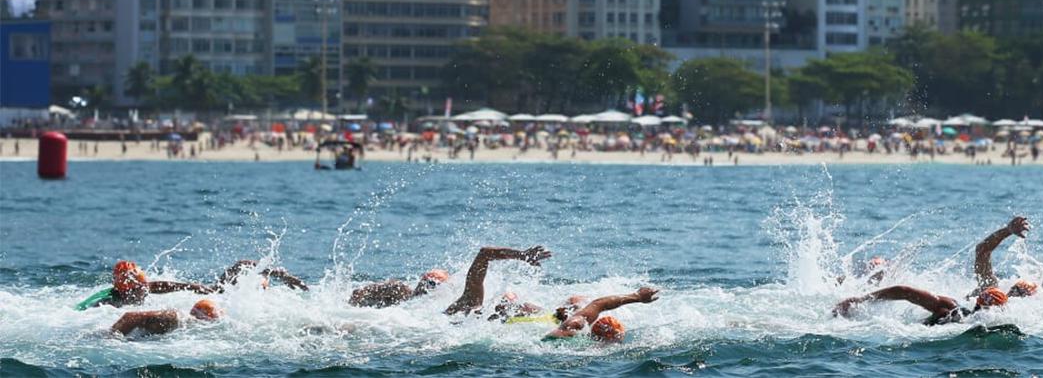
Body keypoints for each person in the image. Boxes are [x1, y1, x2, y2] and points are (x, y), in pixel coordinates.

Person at [348, 245, 550, 310]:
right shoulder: (471, 303)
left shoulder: (466, 303)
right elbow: (484, 253)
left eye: (433, 281)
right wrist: (521, 256)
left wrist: (521, 256)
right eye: (429, 281)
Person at [79, 259, 307, 310]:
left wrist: (202, 289)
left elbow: (176, 285)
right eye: (139, 290)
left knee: (242, 266)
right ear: (124, 291)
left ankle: (281, 276)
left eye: (144, 287)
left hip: (215, 296)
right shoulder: (107, 304)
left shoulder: (139, 288)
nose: (144, 293)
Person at [833, 285, 1008, 325]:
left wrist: (862, 300)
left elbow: (903, 291)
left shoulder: (950, 307)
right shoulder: (951, 309)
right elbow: (903, 291)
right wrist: (861, 301)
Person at [544, 286, 659, 342]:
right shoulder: (578, 323)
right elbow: (600, 303)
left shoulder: (582, 320)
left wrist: (637, 297)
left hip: (568, 316)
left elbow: (600, 304)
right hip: (562, 322)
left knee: (577, 301)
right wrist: (636, 296)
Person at [110, 298, 222, 337]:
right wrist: (110, 337)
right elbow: (130, 317)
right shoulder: (179, 319)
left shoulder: (181, 320)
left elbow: (130, 317)